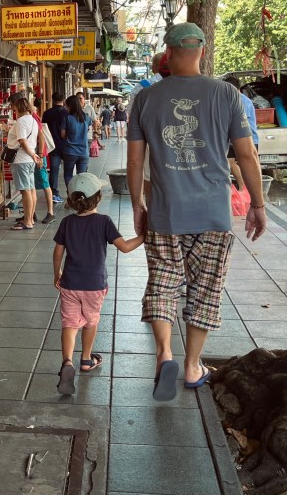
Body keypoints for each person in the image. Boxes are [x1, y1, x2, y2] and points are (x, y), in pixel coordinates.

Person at [125, 22, 267, 400]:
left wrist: (138, 204)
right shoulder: (226, 94)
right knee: (205, 290)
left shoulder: (145, 99)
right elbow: (246, 153)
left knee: (163, 284)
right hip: (213, 214)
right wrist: (257, 203)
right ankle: (191, 365)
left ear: (168, 54)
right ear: (202, 51)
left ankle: (164, 354)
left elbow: (135, 162)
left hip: (165, 213)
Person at [53, 173, 144, 395]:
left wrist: (57, 273)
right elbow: (124, 247)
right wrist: (144, 236)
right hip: (94, 285)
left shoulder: (67, 222)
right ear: (99, 197)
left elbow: (57, 251)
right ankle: (86, 359)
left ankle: (67, 362)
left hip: (70, 283)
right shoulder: (103, 222)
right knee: (91, 321)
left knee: (69, 323)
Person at [9, 96, 42, 231]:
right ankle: (30, 219)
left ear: (19, 108)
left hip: (22, 159)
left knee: (25, 190)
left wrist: (32, 154)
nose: (13, 110)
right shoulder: (33, 120)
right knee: (31, 189)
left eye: (15, 108)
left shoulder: (21, 121)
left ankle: (27, 220)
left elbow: (22, 141)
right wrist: (34, 155)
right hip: (29, 160)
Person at [31, 97, 56, 225]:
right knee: (32, 184)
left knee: (44, 182)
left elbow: (41, 137)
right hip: (35, 155)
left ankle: (50, 212)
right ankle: (31, 213)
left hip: (39, 155)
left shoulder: (33, 117)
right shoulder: (30, 117)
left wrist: (40, 155)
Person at [41, 93, 69, 202]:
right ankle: (71, 193)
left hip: (52, 145)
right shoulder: (66, 113)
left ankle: (54, 193)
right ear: (64, 99)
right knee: (68, 171)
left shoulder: (47, 113)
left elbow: (42, 129)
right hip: (66, 145)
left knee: (54, 170)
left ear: (52, 100)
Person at [60, 95, 91, 187]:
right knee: (81, 176)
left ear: (71, 106)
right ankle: (80, 196)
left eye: (66, 105)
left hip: (70, 152)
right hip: (84, 152)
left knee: (68, 175)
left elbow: (63, 135)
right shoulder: (86, 117)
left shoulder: (67, 118)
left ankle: (71, 195)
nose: (65, 107)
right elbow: (87, 129)